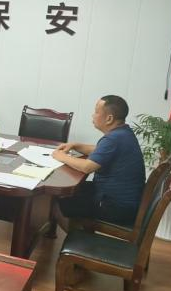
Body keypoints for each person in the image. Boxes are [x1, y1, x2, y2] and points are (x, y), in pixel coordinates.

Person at [52, 95, 146, 227]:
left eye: (96, 112)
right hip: (121, 201)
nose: (93, 115)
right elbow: (99, 150)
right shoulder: (123, 133)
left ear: (109, 119)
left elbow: (87, 167)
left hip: (115, 206)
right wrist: (75, 145)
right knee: (66, 192)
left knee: (56, 202)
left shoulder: (114, 139)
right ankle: (78, 232)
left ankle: (77, 238)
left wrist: (61, 156)